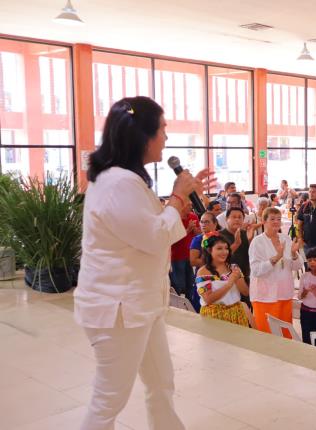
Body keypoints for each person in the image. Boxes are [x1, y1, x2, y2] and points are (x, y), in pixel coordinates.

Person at [75, 96, 212, 429]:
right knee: (109, 399)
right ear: (143, 136)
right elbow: (154, 235)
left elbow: (147, 224)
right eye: (163, 129)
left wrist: (183, 195)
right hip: (119, 309)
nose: (166, 137)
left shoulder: (126, 180)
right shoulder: (118, 182)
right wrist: (179, 196)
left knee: (161, 383)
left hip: (140, 305)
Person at [248, 207, 302, 334]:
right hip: (265, 297)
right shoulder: (258, 242)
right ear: (264, 221)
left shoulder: (286, 239)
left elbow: (297, 266)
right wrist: (276, 258)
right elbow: (256, 270)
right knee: (268, 335)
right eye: (272, 219)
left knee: (285, 333)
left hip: (285, 294)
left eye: (278, 219)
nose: (276, 222)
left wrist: (294, 254)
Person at [195, 232, 250, 327]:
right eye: (219, 248)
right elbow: (208, 299)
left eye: (226, 248)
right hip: (214, 316)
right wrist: (229, 283)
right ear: (209, 250)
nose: (225, 252)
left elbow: (245, 292)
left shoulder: (233, 267)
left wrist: (237, 278)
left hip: (236, 313)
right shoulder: (203, 272)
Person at [169, 201, 200, 308]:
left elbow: (198, 234)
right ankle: (177, 307)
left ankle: (189, 305)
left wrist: (194, 229)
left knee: (190, 282)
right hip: (177, 257)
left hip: (190, 256)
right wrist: (188, 230)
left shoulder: (193, 216)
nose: (191, 207)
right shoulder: (174, 219)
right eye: (189, 205)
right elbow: (172, 239)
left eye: (192, 204)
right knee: (178, 284)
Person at [298, 247, 316, 344]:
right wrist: (306, 291)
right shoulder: (304, 276)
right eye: (309, 260)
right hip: (306, 312)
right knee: (306, 339)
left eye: (315, 260)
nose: (312, 263)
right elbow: (299, 297)